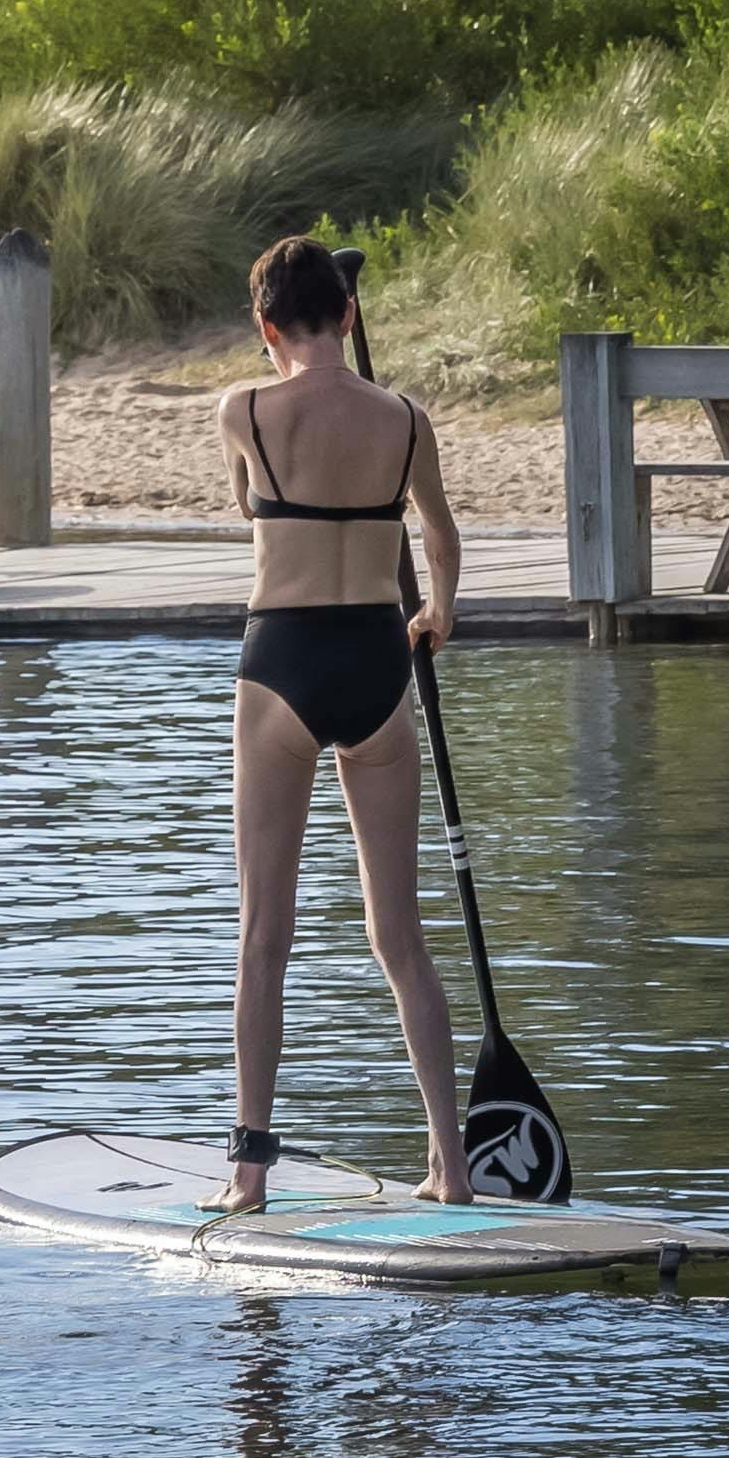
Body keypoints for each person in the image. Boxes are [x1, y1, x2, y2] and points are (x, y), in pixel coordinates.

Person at [219, 231, 476, 1206]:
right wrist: (438, 611)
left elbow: (249, 500)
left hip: (279, 663)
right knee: (398, 934)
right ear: (352, 315)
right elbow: (440, 531)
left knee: (263, 935)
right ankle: (448, 1166)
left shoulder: (239, 407)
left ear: (266, 327)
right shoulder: (407, 418)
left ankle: (248, 1172)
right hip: (379, 659)